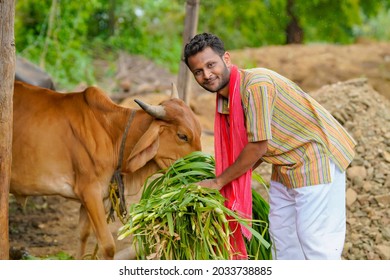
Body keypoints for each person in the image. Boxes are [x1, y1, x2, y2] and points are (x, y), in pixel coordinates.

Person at [183, 32, 356, 260]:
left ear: (226, 59)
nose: (206, 74)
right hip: (284, 164)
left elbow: (258, 146)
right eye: (198, 71)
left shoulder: (256, 86)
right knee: (283, 241)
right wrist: (226, 183)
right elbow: (255, 151)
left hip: (315, 157)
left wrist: (220, 181)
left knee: (315, 242)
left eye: (210, 65)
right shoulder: (226, 101)